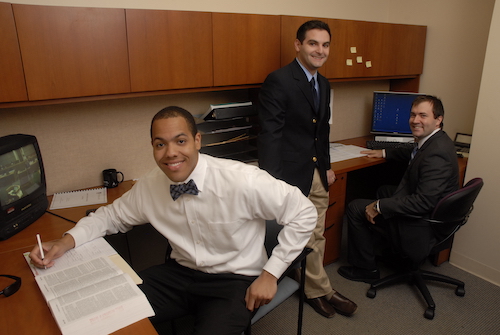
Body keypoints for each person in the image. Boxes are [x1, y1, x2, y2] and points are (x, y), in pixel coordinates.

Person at [30, 106, 317, 335]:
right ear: (153, 147)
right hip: (180, 275)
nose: (170, 153)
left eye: (180, 141)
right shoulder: (150, 185)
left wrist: (270, 274)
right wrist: (66, 241)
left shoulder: (242, 179)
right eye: (160, 144)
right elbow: (110, 216)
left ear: (197, 140)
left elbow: (304, 212)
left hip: (236, 280)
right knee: (111, 310)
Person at [257, 20, 357, 318]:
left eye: (325, 45)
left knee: (317, 233)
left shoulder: (323, 83)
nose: (320, 50)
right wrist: (271, 180)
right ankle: (320, 289)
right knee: (303, 234)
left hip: (316, 173)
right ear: (298, 45)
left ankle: (315, 286)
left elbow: (321, 132)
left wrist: (326, 167)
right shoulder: (279, 80)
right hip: (289, 175)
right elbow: (269, 135)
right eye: (313, 43)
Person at [338, 95, 460, 282]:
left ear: (438, 120)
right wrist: (385, 152)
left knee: (356, 208)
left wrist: (379, 206)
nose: (415, 120)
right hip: (433, 215)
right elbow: (413, 151)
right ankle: (389, 249)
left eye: (422, 115)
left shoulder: (437, 155)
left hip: (422, 223)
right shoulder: (435, 141)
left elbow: (423, 201)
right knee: (384, 190)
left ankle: (366, 269)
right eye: (412, 115)